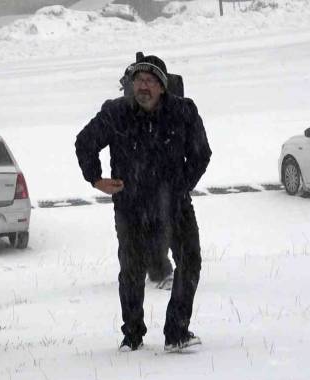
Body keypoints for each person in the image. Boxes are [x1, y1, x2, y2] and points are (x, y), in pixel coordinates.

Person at [75, 55, 212, 352]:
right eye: (138, 80)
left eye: (150, 81)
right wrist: (96, 179)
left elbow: (201, 153)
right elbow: (84, 142)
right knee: (132, 270)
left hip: (174, 206)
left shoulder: (183, 112)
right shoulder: (116, 113)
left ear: (162, 86)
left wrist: (180, 186)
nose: (143, 87)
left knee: (190, 261)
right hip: (131, 206)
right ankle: (132, 336)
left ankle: (176, 332)